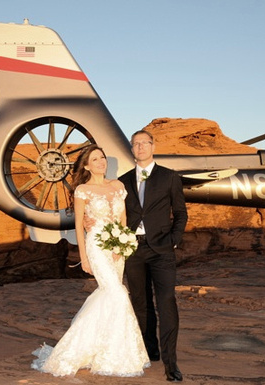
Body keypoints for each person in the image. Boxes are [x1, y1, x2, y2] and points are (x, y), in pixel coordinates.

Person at [31, 144, 150, 377]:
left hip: (118, 245)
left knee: (109, 295)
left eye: (103, 157)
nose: (101, 161)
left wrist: (123, 245)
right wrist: (83, 257)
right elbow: (78, 224)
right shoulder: (83, 190)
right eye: (95, 159)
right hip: (96, 244)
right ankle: (114, 355)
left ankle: (99, 349)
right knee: (117, 293)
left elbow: (123, 217)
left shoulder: (118, 186)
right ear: (86, 165)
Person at [119, 130, 188, 382]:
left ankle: (171, 364)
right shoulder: (123, 181)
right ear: (131, 148)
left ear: (152, 146)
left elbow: (181, 213)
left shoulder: (169, 177)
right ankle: (150, 350)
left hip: (162, 250)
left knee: (166, 303)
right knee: (141, 303)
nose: (140, 147)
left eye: (144, 143)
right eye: (135, 144)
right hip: (133, 249)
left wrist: (173, 240)